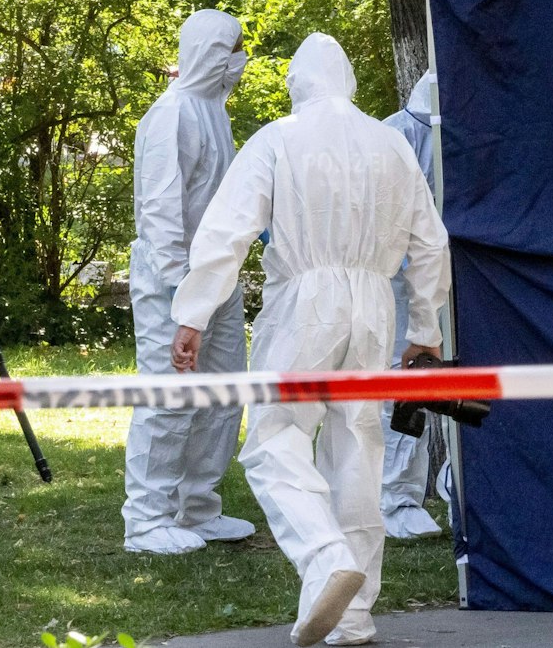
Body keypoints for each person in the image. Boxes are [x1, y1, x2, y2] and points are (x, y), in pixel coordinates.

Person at [171, 33, 450, 647]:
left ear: (298, 82)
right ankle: (352, 616)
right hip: (376, 305)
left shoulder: (279, 138)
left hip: (305, 303)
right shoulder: (392, 143)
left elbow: (228, 228)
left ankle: (325, 557)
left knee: (275, 439)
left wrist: (192, 312)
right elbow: (431, 243)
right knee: (358, 444)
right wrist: (425, 330)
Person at [122, 9, 255, 555]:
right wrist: (183, 295)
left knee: (223, 395)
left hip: (217, 278)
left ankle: (197, 506)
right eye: (231, 49)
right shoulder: (172, 113)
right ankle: (147, 520)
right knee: (170, 396)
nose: (239, 61)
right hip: (172, 283)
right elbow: (161, 211)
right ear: (206, 51)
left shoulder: (213, 112)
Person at [379, 69, 445, 540]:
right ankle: (394, 498)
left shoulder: (457, 135)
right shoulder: (393, 137)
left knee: (433, 381)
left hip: (440, 276)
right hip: (396, 283)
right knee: (402, 380)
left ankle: (428, 485)